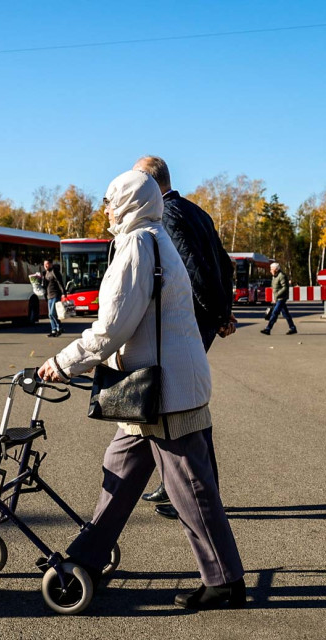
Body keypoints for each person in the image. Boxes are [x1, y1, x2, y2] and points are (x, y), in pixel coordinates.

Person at [38, 170, 245, 610]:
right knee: (120, 468)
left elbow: (111, 328)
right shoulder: (153, 236)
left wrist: (61, 363)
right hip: (152, 390)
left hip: (164, 393)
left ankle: (225, 581)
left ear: (130, 201)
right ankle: (88, 559)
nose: (106, 209)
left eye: (111, 200)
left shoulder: (136, 245)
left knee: (190, 486)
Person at [133, 156, 237, 514]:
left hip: (189, 320)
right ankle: (179, 488)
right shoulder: (196, 211)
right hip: (204, 318)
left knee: (178, 408)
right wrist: (225, 311)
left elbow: (193, 269)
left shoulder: (169, 215)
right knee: (184, 407)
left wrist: (219, 314)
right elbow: (224, 264)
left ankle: (193, 492)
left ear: (150, 182)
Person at [260, 262, 297, 335]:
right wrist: (274, 297)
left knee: (275, 313)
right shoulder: (274, 276)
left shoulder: (281, 276)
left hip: (281, 298)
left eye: (271, 269)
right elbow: (274, 288)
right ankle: (292, 328)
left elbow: (285, 288)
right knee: (286, 314)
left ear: (276, 269)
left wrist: (277, 295)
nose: (270, 271)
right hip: (278, 298)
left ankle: (268, 329)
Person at [38, 259, 66, 337]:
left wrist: (63, 293)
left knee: (52, 313)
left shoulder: (54, 271)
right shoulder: (44, 273)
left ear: (51, 264)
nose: (45, 266)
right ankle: (54, 330)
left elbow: (60, 282)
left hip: (55, 295)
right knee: (50, 315)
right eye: (44, 265)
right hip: (49, 296)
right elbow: (44, 285)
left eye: (47, 264)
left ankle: (59, 327)